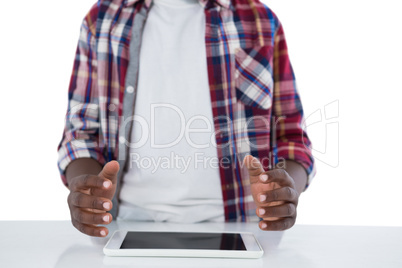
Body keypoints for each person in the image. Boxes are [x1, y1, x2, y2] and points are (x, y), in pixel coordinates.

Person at [58, 0, 316, 237]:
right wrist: (87, 190)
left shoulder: (260, 20)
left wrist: (285, 188)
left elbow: (291, 136)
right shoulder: (102, 19)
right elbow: (80, 135)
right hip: (127, 225)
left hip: (243, 230)